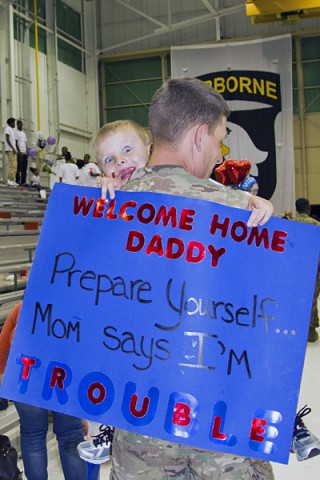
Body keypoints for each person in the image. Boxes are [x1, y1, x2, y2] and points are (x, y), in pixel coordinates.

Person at [107, 78, 275, 479]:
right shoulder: (243, 213)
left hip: (137, 421)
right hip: (221, 430)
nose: (219, 155)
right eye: (219, 141)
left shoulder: (105, 207)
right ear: (200, 136)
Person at [0, 302, 88, 480]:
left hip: (27, 378)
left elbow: (3, 350)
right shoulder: (76, 308)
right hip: (65, 377)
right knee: (71, 435)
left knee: (32, 436)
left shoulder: (23, 307)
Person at [293, 197, 320, 343]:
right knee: (312, 298)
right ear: (308, 208)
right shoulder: (316, 225)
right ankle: (310, 330)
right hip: (312, 267)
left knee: (295, 297)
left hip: (296, 268)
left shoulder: (291, 223)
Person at [4, 117, 17, 185]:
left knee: (14, 165)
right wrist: (13, 148)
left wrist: (15, 149)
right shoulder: (7, 129)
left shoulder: (11, 130)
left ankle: (12, 179)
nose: (14, 124)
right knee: (13, 165)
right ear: (11, 123)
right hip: (10, 149)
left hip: (12, 150)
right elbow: (7, 139)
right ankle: (9, 179)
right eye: (13, 123)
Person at [15, 120, 28, 185]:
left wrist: (27, 151)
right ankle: (17, 180)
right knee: (19, 167)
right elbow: (16, 143)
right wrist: (19, 151)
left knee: (24, 168)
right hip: (20, 153)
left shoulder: (24, 133)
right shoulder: (16, 133)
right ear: (17, 125)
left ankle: (23, 181)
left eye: (21, 124)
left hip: (25, 152)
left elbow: (25, 143)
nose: (21, 125)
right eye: (19, 124)